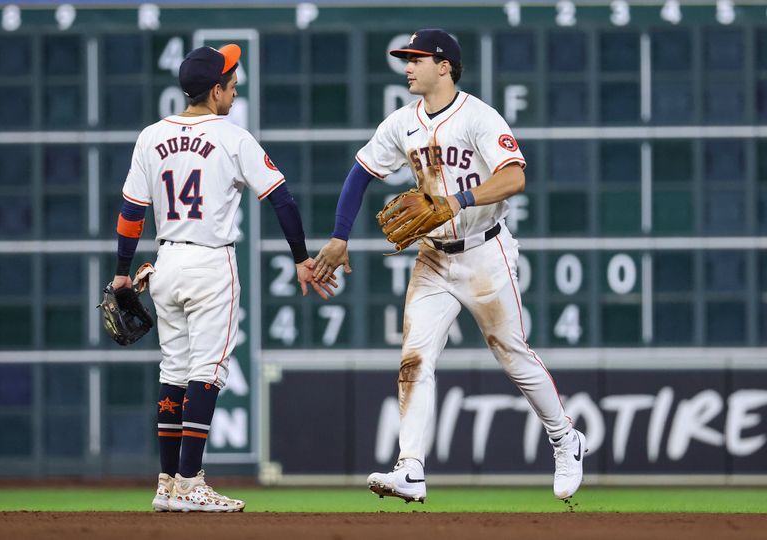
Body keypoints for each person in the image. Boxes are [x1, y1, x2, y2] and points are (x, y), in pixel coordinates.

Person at [313, 29, 586, 503]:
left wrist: (457, 200)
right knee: (414, 359)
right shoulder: (402, 123)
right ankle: (411, 468)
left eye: (416, 58)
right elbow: (359, 175)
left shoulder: (479, 117)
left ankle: (565, 439)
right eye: (406, 58)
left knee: (513, 356)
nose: (407, 66)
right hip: (434, 257)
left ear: (444, 66)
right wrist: (340, 236)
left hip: (486, 252)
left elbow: (515, 176)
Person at [110, 43, 336, 512]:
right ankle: (191, 483)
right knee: (207, 373)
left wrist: (120, 274)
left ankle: (168, 484)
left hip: (165, 263)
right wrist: (300, 257)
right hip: (211, 263)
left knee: (173, 373)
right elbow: (282, 199)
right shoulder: (233, 137)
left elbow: (132, 212)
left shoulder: (151, 136)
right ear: (214, 91)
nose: (234, 91)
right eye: (231, 85)